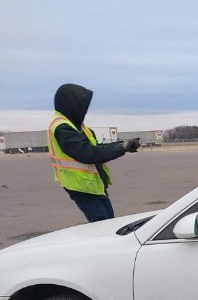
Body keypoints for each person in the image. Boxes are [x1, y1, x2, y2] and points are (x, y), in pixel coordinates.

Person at [47, 83, 140, 222]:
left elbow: (97, 148)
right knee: (103, 225)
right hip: (81, 186)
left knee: (109, 222)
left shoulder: (77, 126)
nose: (84, 110)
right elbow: (89, 154)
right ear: (72, 104)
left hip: (93, 185)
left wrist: (122, 145)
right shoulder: (62, 127)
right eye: (82, 105)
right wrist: (123, 147)